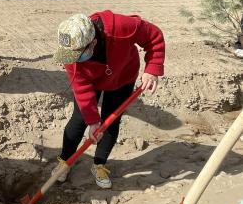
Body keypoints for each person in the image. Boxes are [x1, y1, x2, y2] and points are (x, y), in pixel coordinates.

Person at [51, 11, 165, 189]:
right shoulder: (70, 54)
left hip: (122, 75)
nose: (73, 61)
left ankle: (99, 164)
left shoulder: (120, 27)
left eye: (77, 55)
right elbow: (82, 88)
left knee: (111, 120)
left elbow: (154, 36)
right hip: (91, 80)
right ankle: (65, 162)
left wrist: (153, 68)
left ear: (92, 43)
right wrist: (93, 121)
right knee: (79, 119)